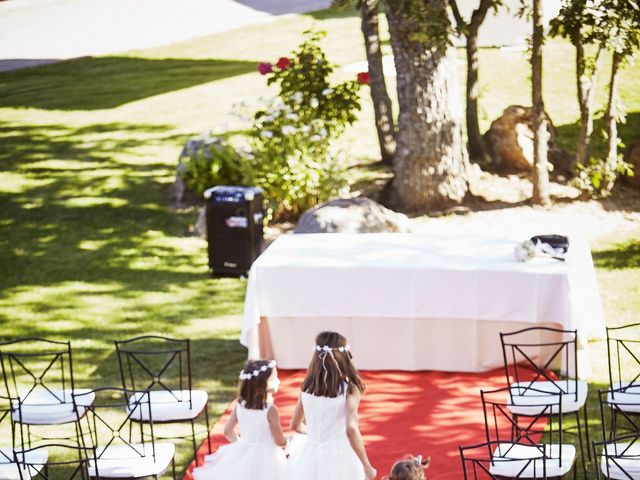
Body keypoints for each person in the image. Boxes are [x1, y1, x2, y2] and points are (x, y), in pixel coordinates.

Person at [285, 331, 377, 480]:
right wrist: (367, 466)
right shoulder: (349, 389)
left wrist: (316, 435)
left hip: (310, 454)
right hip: (340, 454)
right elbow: (351, 429)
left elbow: (295, 424)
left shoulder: (308, 388)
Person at [193, 359, 287, 480]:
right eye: (274, 378)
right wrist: (289, 443)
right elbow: (279, 441)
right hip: (269, 458)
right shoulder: (270, 410)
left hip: (245, 453)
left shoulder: (240, 404)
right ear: (262, 384)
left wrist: (243, 445)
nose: (278, 381)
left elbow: (227, 431)